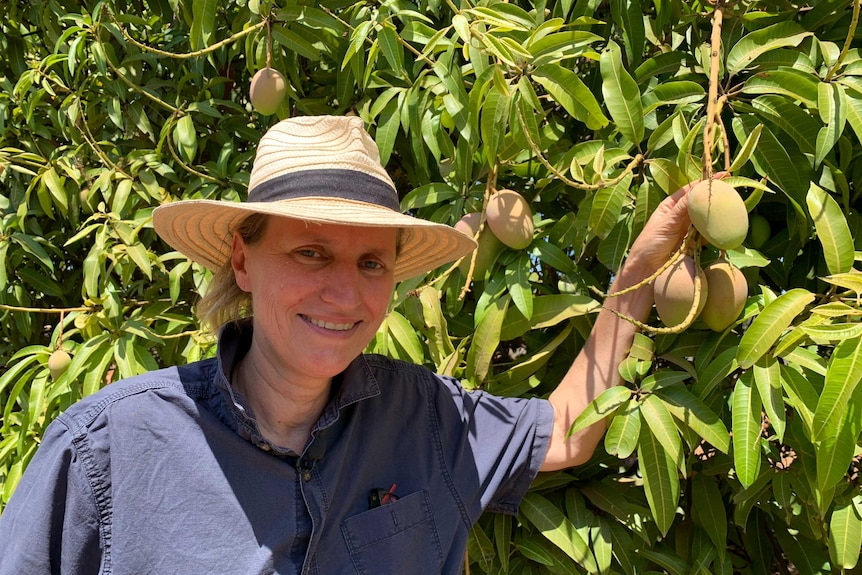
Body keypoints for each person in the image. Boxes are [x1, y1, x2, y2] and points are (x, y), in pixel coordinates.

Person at [0, 115, 694, 574]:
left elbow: (568, 431)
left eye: (371, 264)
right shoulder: (106, 450)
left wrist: (640, 270)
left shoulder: (426, 418)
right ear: (243, 261)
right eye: (310, 252)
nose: (346, 294)